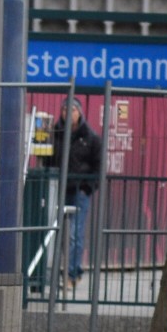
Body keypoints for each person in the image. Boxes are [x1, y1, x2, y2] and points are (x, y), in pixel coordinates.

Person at [45, 98, 102, 290]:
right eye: (64, 110)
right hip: (58, 190)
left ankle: (69, 275)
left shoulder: (91, 138)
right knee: (59, 232)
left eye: (72, 110)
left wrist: (88, 188)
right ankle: (73, 269)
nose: (67, 114)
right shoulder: (56, 134)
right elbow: (48, 159)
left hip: (79, 191)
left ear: (80, 113)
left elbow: (98, 167)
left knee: (74, 233)